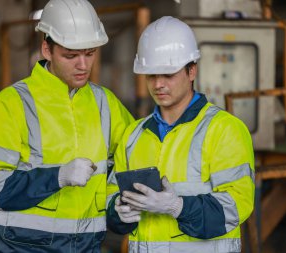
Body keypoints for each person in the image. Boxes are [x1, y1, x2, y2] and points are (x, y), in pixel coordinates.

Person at [0, 0, 134, 252]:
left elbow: (132, 160)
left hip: (87, 245)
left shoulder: (106, 103)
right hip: (24, 246)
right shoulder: (13, 103)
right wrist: (56, 177)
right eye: (71, 55)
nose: (83, 65)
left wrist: (118, 205)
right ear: (46, 49)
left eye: (90, 53)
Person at [106, 16, 255, 253]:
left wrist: (178, 207)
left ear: (192, 70)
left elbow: (236, 207)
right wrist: (117, 210)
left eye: (168, 74)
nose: (158, 84)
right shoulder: (133, 135)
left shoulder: (224, 130)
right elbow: (111, 198)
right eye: (151, 75)